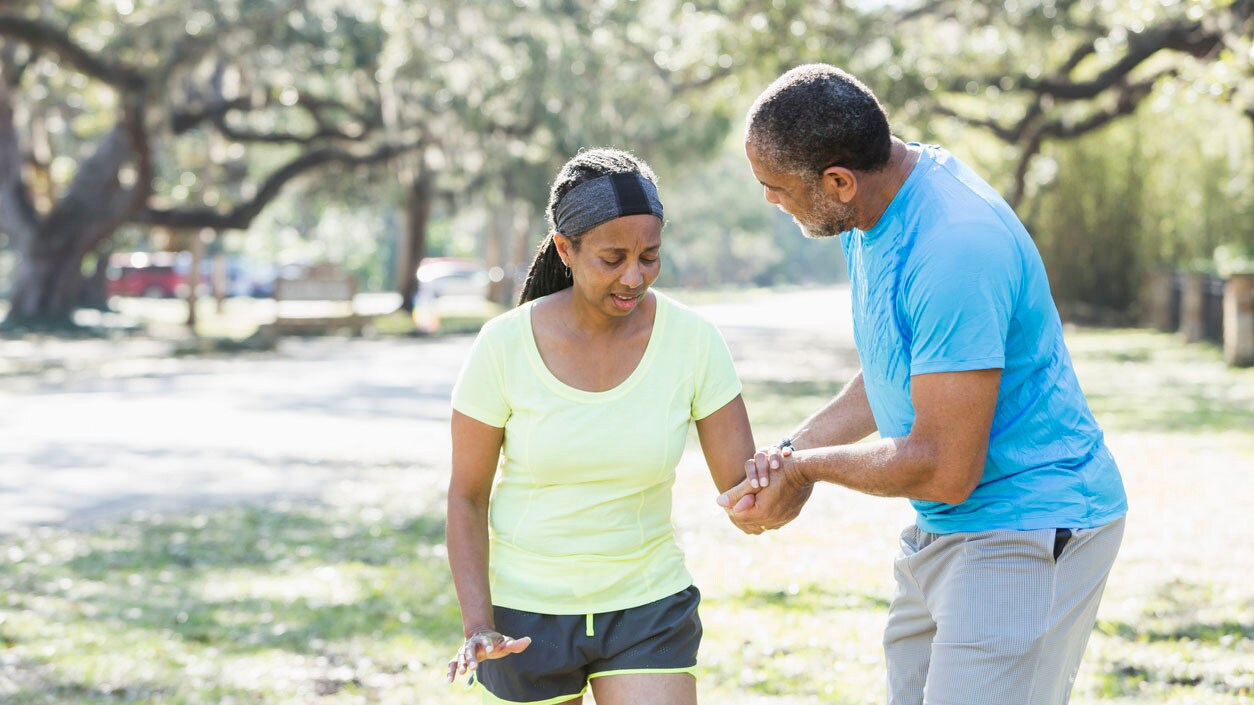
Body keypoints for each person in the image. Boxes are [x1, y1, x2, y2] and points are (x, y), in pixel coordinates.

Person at [718, 64, 1129, 705]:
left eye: (774, 187)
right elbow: (893, 374)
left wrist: (806, 473)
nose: (770, 200)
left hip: (1029, 520)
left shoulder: (954, 246)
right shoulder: (867, 215)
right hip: (948, 526)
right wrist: (786, 456)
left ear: (838, 180)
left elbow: (944, 467)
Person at [445, 148, 756, 705]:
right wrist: (477, 625)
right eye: (613, 258)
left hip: (647, 605)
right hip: (523, 618)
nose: (634, 276)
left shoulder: (693, 341)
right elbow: (467, 497)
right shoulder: (503, 346)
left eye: (650, 256)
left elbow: (745, 492)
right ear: (566, 248)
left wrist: (790, 471)